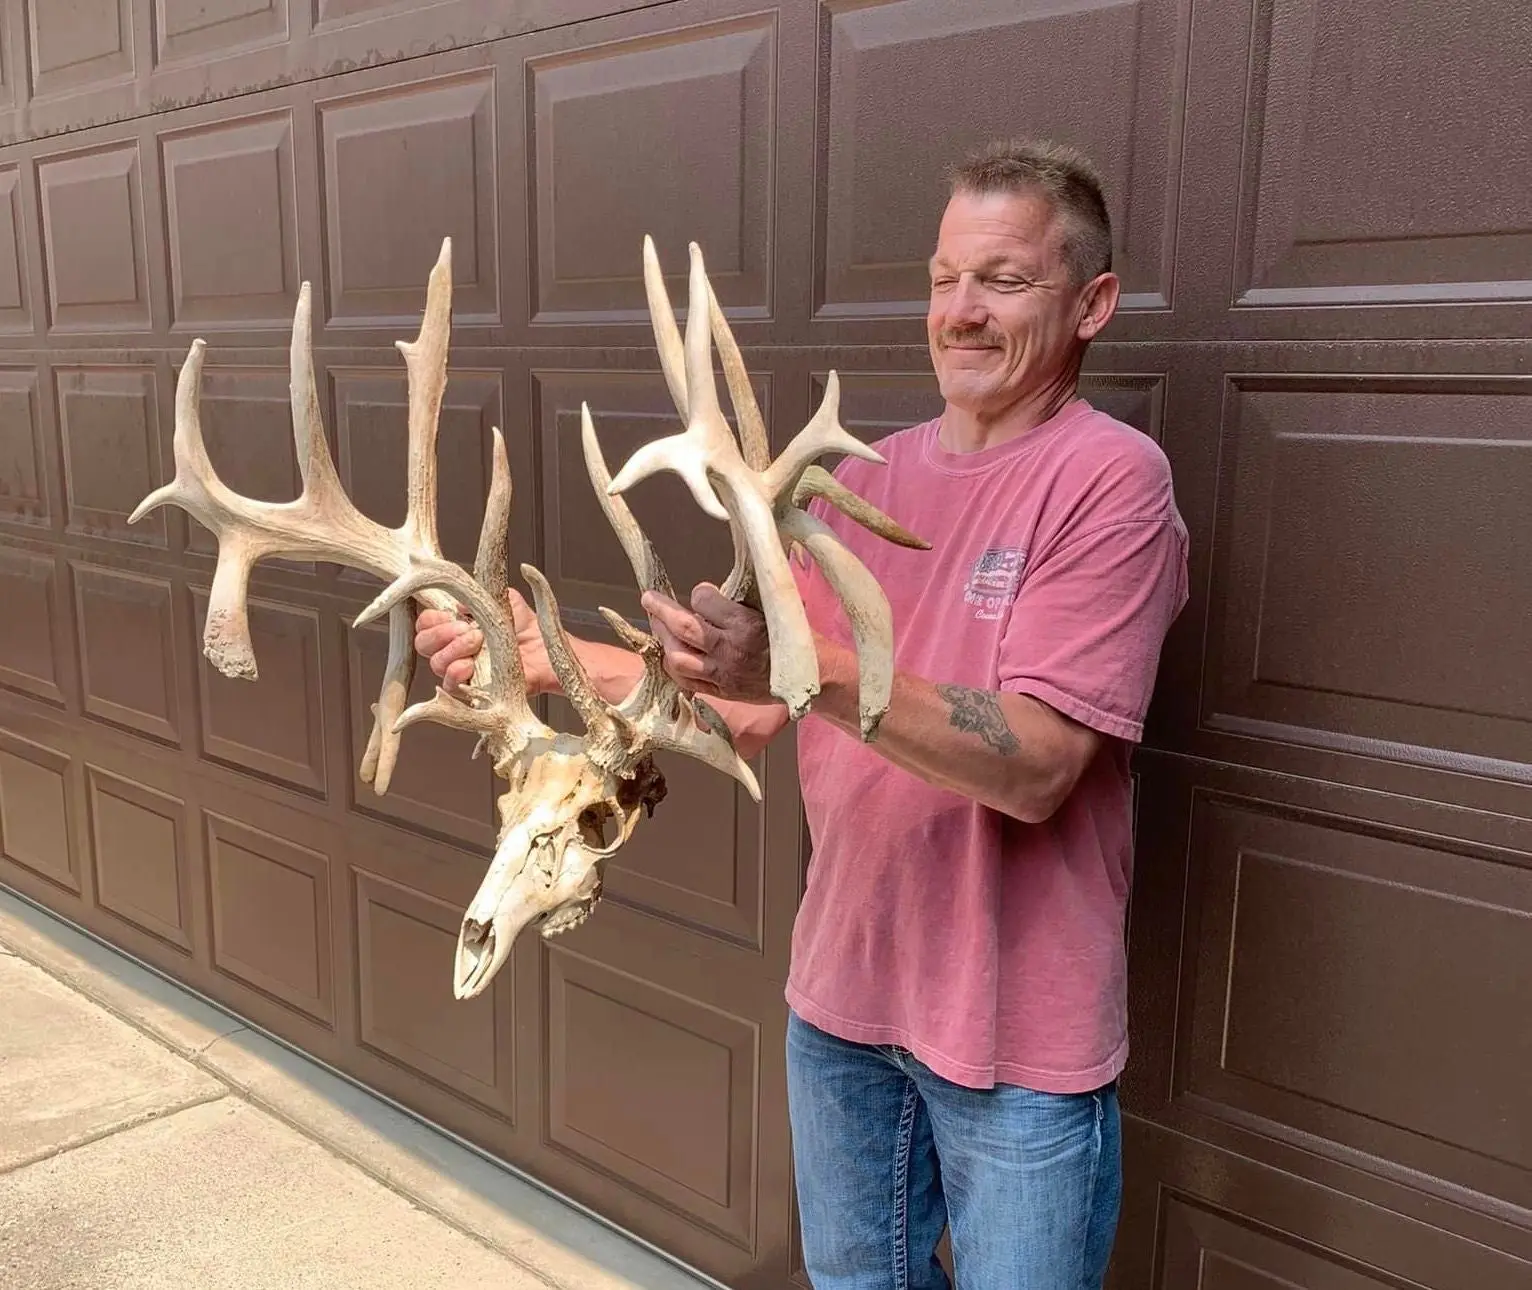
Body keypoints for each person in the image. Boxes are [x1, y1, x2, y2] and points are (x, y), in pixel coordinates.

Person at [415, 138, 1188, 1290]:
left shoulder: (1110, 483)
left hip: (1018, 1042)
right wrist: (543, 656)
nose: (960, 312)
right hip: (841, 1008)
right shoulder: (859, 480)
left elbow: (1033, 765)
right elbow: (748, 710)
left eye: (1003, 279)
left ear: (1092, 303)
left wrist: (805, 664)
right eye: (942, 278)